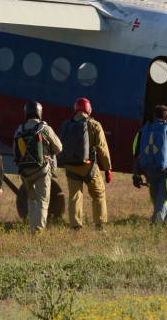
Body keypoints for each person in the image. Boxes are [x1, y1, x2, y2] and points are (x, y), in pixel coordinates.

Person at [57, 98, 112, 232]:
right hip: (89, 166)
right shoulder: (94, 124)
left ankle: (76, 227)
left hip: (70, 166)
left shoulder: (66, 124)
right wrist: (108, 168)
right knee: (99, 194)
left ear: (76, 109)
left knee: (75, 196)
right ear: (89, 109)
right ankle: (100, 226)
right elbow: (102, 148)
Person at [132, 105, 167, 225]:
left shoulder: (143, 131)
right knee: (163, 200)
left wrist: (136, 175)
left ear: (153, 116)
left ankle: (165, 226)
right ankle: (156, 225)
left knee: (156, 200)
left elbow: (135, 154)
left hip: (149, 171)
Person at [13, 101, 62, 233]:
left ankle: (32, 227)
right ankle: (38, 231)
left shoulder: (19, 130)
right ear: (39, 113)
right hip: (42, 170)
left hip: (25, 172)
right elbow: (58, 148)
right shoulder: (44, 128)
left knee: (31, 199)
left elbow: (15, 151)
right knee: (42, 200)